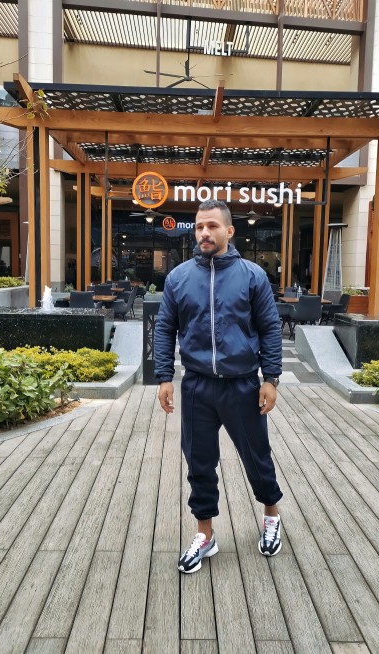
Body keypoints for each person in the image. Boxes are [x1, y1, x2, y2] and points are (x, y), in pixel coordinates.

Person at [154, 199, 283, 574]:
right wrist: (165, 376)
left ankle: (271, 516)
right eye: (199, 227)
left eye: (212, 226)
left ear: (229, 231)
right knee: (199, 463)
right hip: (196, 387)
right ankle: (205, 535)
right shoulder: (178, 277)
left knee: (257, 456)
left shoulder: (252, 275)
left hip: (243, 385)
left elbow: (270, 328)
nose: (204, 233)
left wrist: (270, 379)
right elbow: (165, 329)